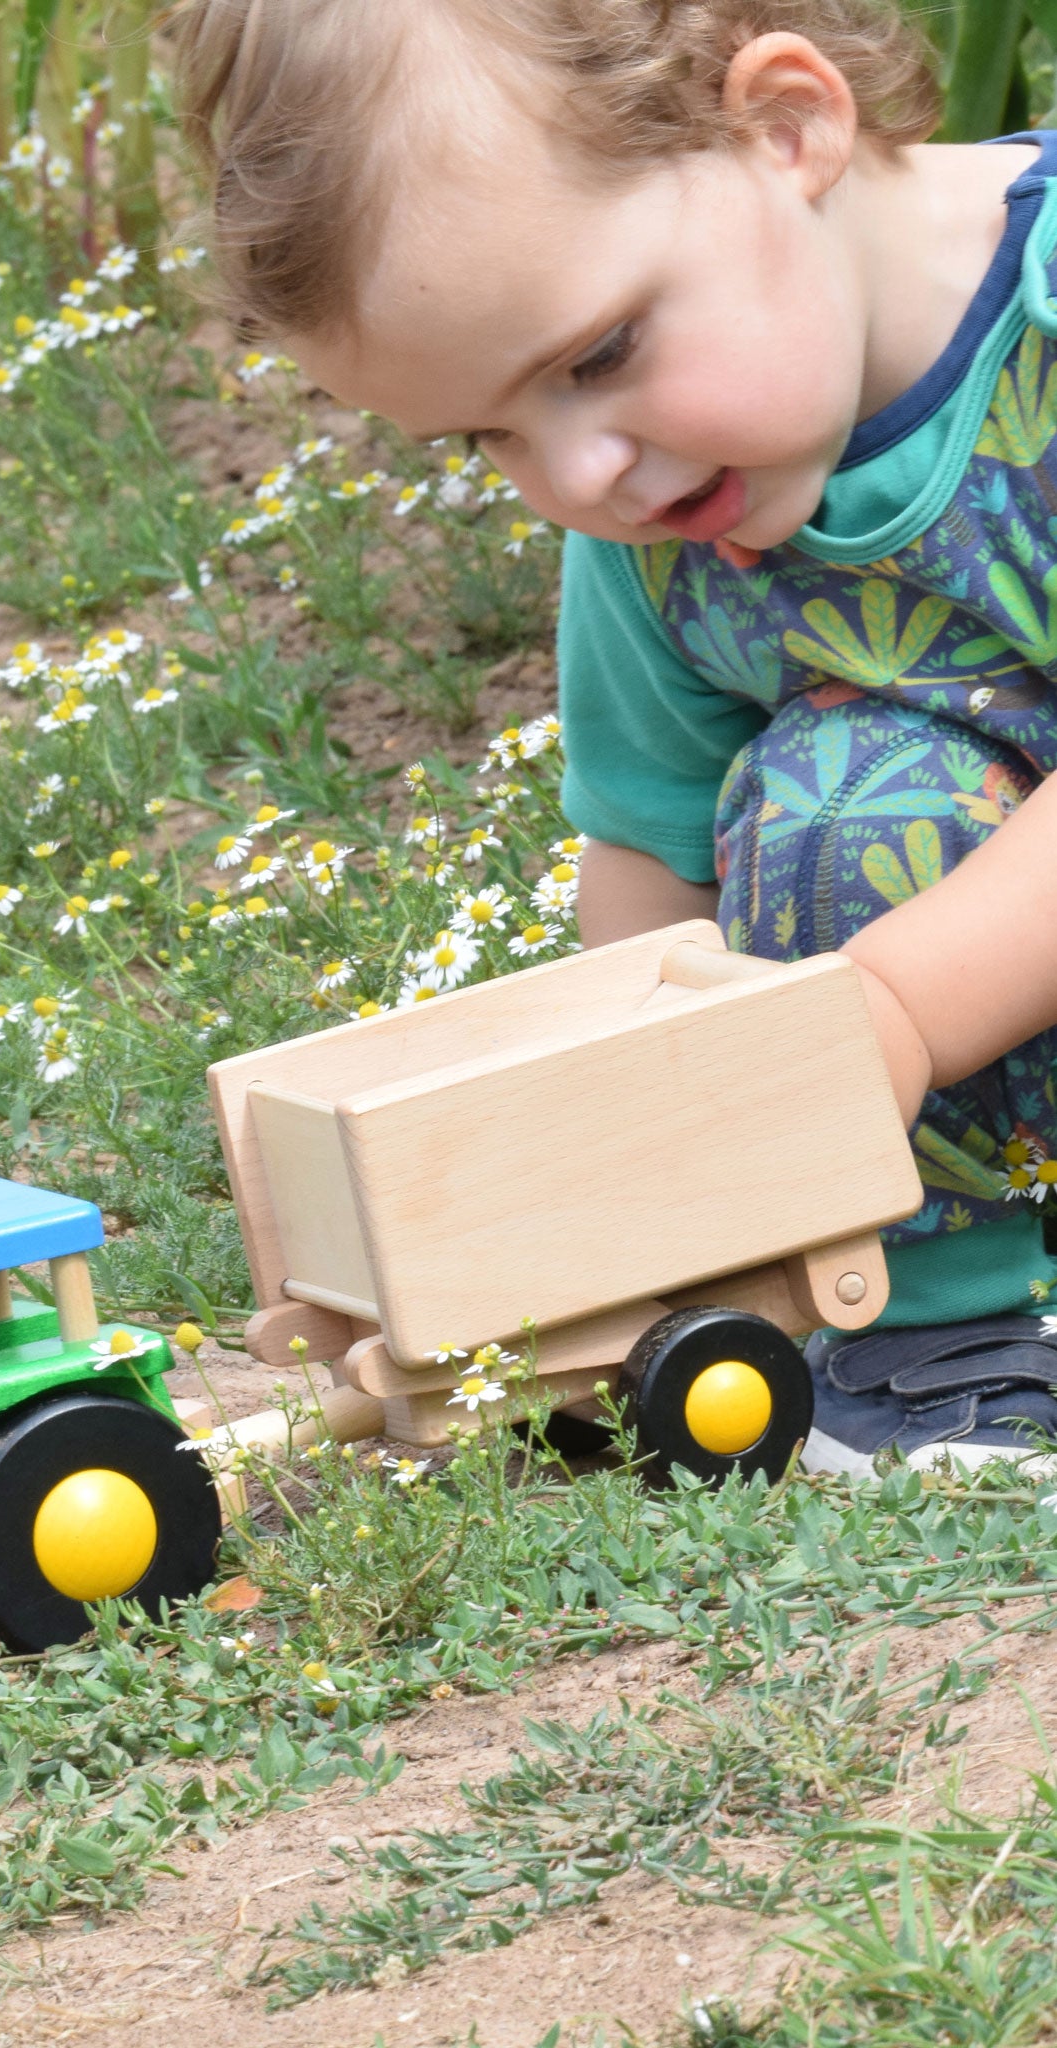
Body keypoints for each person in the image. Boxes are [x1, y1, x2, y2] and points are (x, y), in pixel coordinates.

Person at [174, 0, 1057, 1471]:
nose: (577, 473)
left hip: (939, 1033)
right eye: (491, 435)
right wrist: (620, 1214)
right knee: (840, 804)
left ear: (785, 127)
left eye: (599, 356)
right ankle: (930, 1343)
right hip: (965, 1099)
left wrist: (894, 1013)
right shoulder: (656, 529)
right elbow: (653, 894)